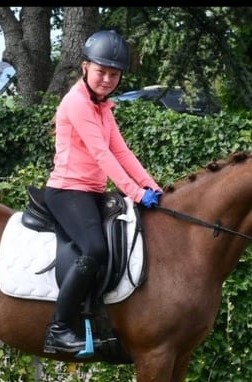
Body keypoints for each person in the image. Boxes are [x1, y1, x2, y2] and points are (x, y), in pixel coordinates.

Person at [43, 29, 163, 355]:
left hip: (93, 192)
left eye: (114, 74)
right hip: (67, 191)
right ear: (85, 67)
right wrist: (136, 194)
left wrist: (152, 186)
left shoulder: (103, 108)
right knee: (95, 249)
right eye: (101, 71)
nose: (107, 79)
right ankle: (58, 330)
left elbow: (122, 153)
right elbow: (102, 155)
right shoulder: (77, 103)